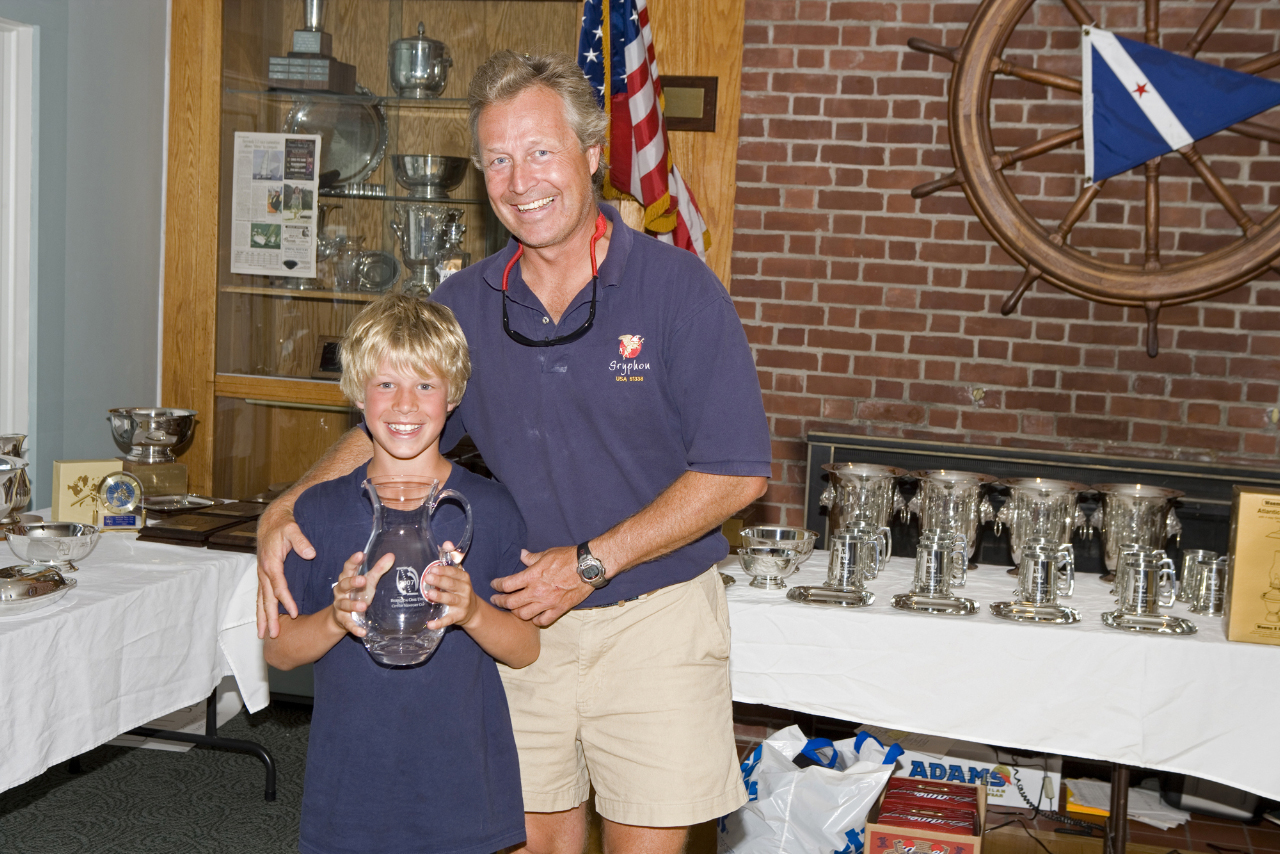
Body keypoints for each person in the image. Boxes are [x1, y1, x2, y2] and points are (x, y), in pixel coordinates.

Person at [256, 50, 772, 854]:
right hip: (517, 618)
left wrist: (591, 563)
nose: (519, 179)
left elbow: (737, 473)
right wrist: (285, 507)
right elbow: (396, 420)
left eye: (539, 151)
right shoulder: (463, 303)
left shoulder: (679, 290)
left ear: (591, 154)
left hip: (656, 618)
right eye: (497, 159)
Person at [263, 294, 538, 854]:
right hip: (350, 785)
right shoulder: (318, 511)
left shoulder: (492, 508)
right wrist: (336, 618)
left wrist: (472, 611)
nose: (405, 404)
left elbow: (525, 649)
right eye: (385, 384)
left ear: (453, 395)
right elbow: (279, 652)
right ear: (357, 393)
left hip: (462, 786)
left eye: (425, 385)